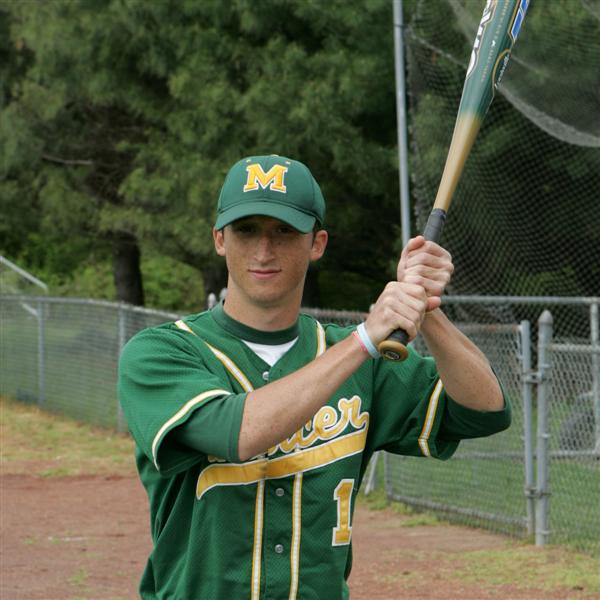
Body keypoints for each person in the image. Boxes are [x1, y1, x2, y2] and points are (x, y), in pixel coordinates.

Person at [118, 154, 511, 600]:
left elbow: (485, 410)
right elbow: (237, 433)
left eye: (284, 232)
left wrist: (423, 304)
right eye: (246, 230)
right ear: (220, 239)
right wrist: (364, 340)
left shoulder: (360, 361)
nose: (264, 251)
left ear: (317, 243)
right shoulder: (162, 352)